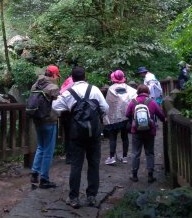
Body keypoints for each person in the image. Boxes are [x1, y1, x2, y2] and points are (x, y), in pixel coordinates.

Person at [53, 66, 109, 209]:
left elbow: (55, 107)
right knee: (93, 164)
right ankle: (91, 196)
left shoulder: (68, 92)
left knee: (76, 165)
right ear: (85, 76)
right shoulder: (94, 90)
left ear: (72, 77)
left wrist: (68, 110)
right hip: (94, 134)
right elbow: (105, 108)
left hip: (76, 133)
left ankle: (74, 198)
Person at [125, 84, 166, 183]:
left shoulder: (133, 102)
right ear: (148, 92)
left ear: (138, 92)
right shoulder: (152, 102)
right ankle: (150, 176)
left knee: (135, 153)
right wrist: (164, 120)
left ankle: (134, 175)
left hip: (136, 131)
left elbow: (126, 114)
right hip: (149, 131)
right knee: (149, 153)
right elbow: (160, 115)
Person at [29, 65, 61, 189]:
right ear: (53, 75)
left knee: (40, 147)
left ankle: (34, 173)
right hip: (49, 121)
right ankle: (44, 179)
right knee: (48, 150)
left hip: (37, 120)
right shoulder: (53, 87)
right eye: (57, 76)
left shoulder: (35, 85)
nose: (57, 79)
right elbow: (58, 104)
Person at [103, 70, 136, 165]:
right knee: (125, 137)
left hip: (113, 117)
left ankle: (112, 157)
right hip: (126, 116)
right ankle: (125, 157)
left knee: (113, 137)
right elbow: (134, 97)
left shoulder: (111, 89)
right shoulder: (128, 88)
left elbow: (108, 103)